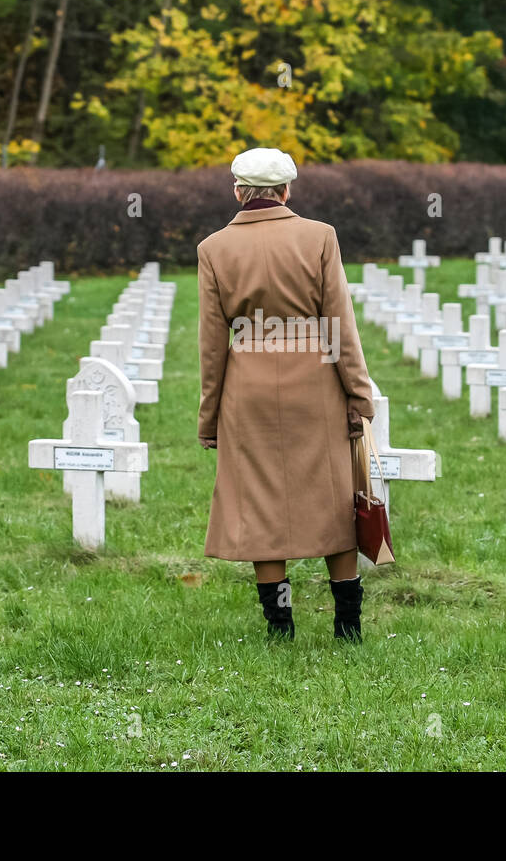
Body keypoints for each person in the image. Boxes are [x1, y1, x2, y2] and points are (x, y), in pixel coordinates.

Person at [196, 147, 375, 642]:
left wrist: (209, 418)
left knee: (260, 499)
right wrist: (358, 396)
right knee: (334, 496)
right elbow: (339, 324)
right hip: (315, 380)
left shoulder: (212, 248)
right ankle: (347, 625)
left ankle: (281, 627)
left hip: (246, 385)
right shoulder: (320, 237)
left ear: (237, 190)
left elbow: (213, 345)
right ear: (287, 190)